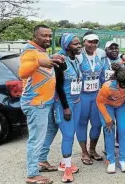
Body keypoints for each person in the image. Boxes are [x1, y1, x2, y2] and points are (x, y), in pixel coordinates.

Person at [19, 25, 63, 184]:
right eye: (44, 36)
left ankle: (41, 160)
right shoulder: (30, 51)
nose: (48, 39)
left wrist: (54, 57)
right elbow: (23, 72)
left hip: (47, 101)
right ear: (35, 36)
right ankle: (32, 175)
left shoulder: (40, 51)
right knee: (36, 138)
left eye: (50, 36)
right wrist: (38, 62)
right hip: (36, 103)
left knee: (52, 128)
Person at [96, 63, 125, 173]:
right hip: (107, 106)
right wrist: (108, 119)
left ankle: (123, 159)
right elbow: (99, 102)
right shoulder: (107, 87)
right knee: (109, 130)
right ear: (122, 84)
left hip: (122, 105)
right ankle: (110, 160)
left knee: (123, 130)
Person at [54, 33, 82, 182]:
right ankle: (66, 171)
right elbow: (58, 86)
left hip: (77, 101)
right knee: (68, 135)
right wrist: (65, 107)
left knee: (71, 134)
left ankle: (65, 163)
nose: (79, 46)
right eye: (75, 44)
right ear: (67, 46)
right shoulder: (61, 61)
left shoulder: (75, 59)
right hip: (65, 103)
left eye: (79, 43)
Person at [76, 31, 105, 165]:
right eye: (89, 41)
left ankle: (92, 149)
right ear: (84, 42)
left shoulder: (100, 53)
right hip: (82, 95)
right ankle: (84, 152)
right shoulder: (78, 55)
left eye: (95, 42)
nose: (92, 44)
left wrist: (124, 56)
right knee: (82, 123)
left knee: (97, 124)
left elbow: (113, 56)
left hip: (96, 95)